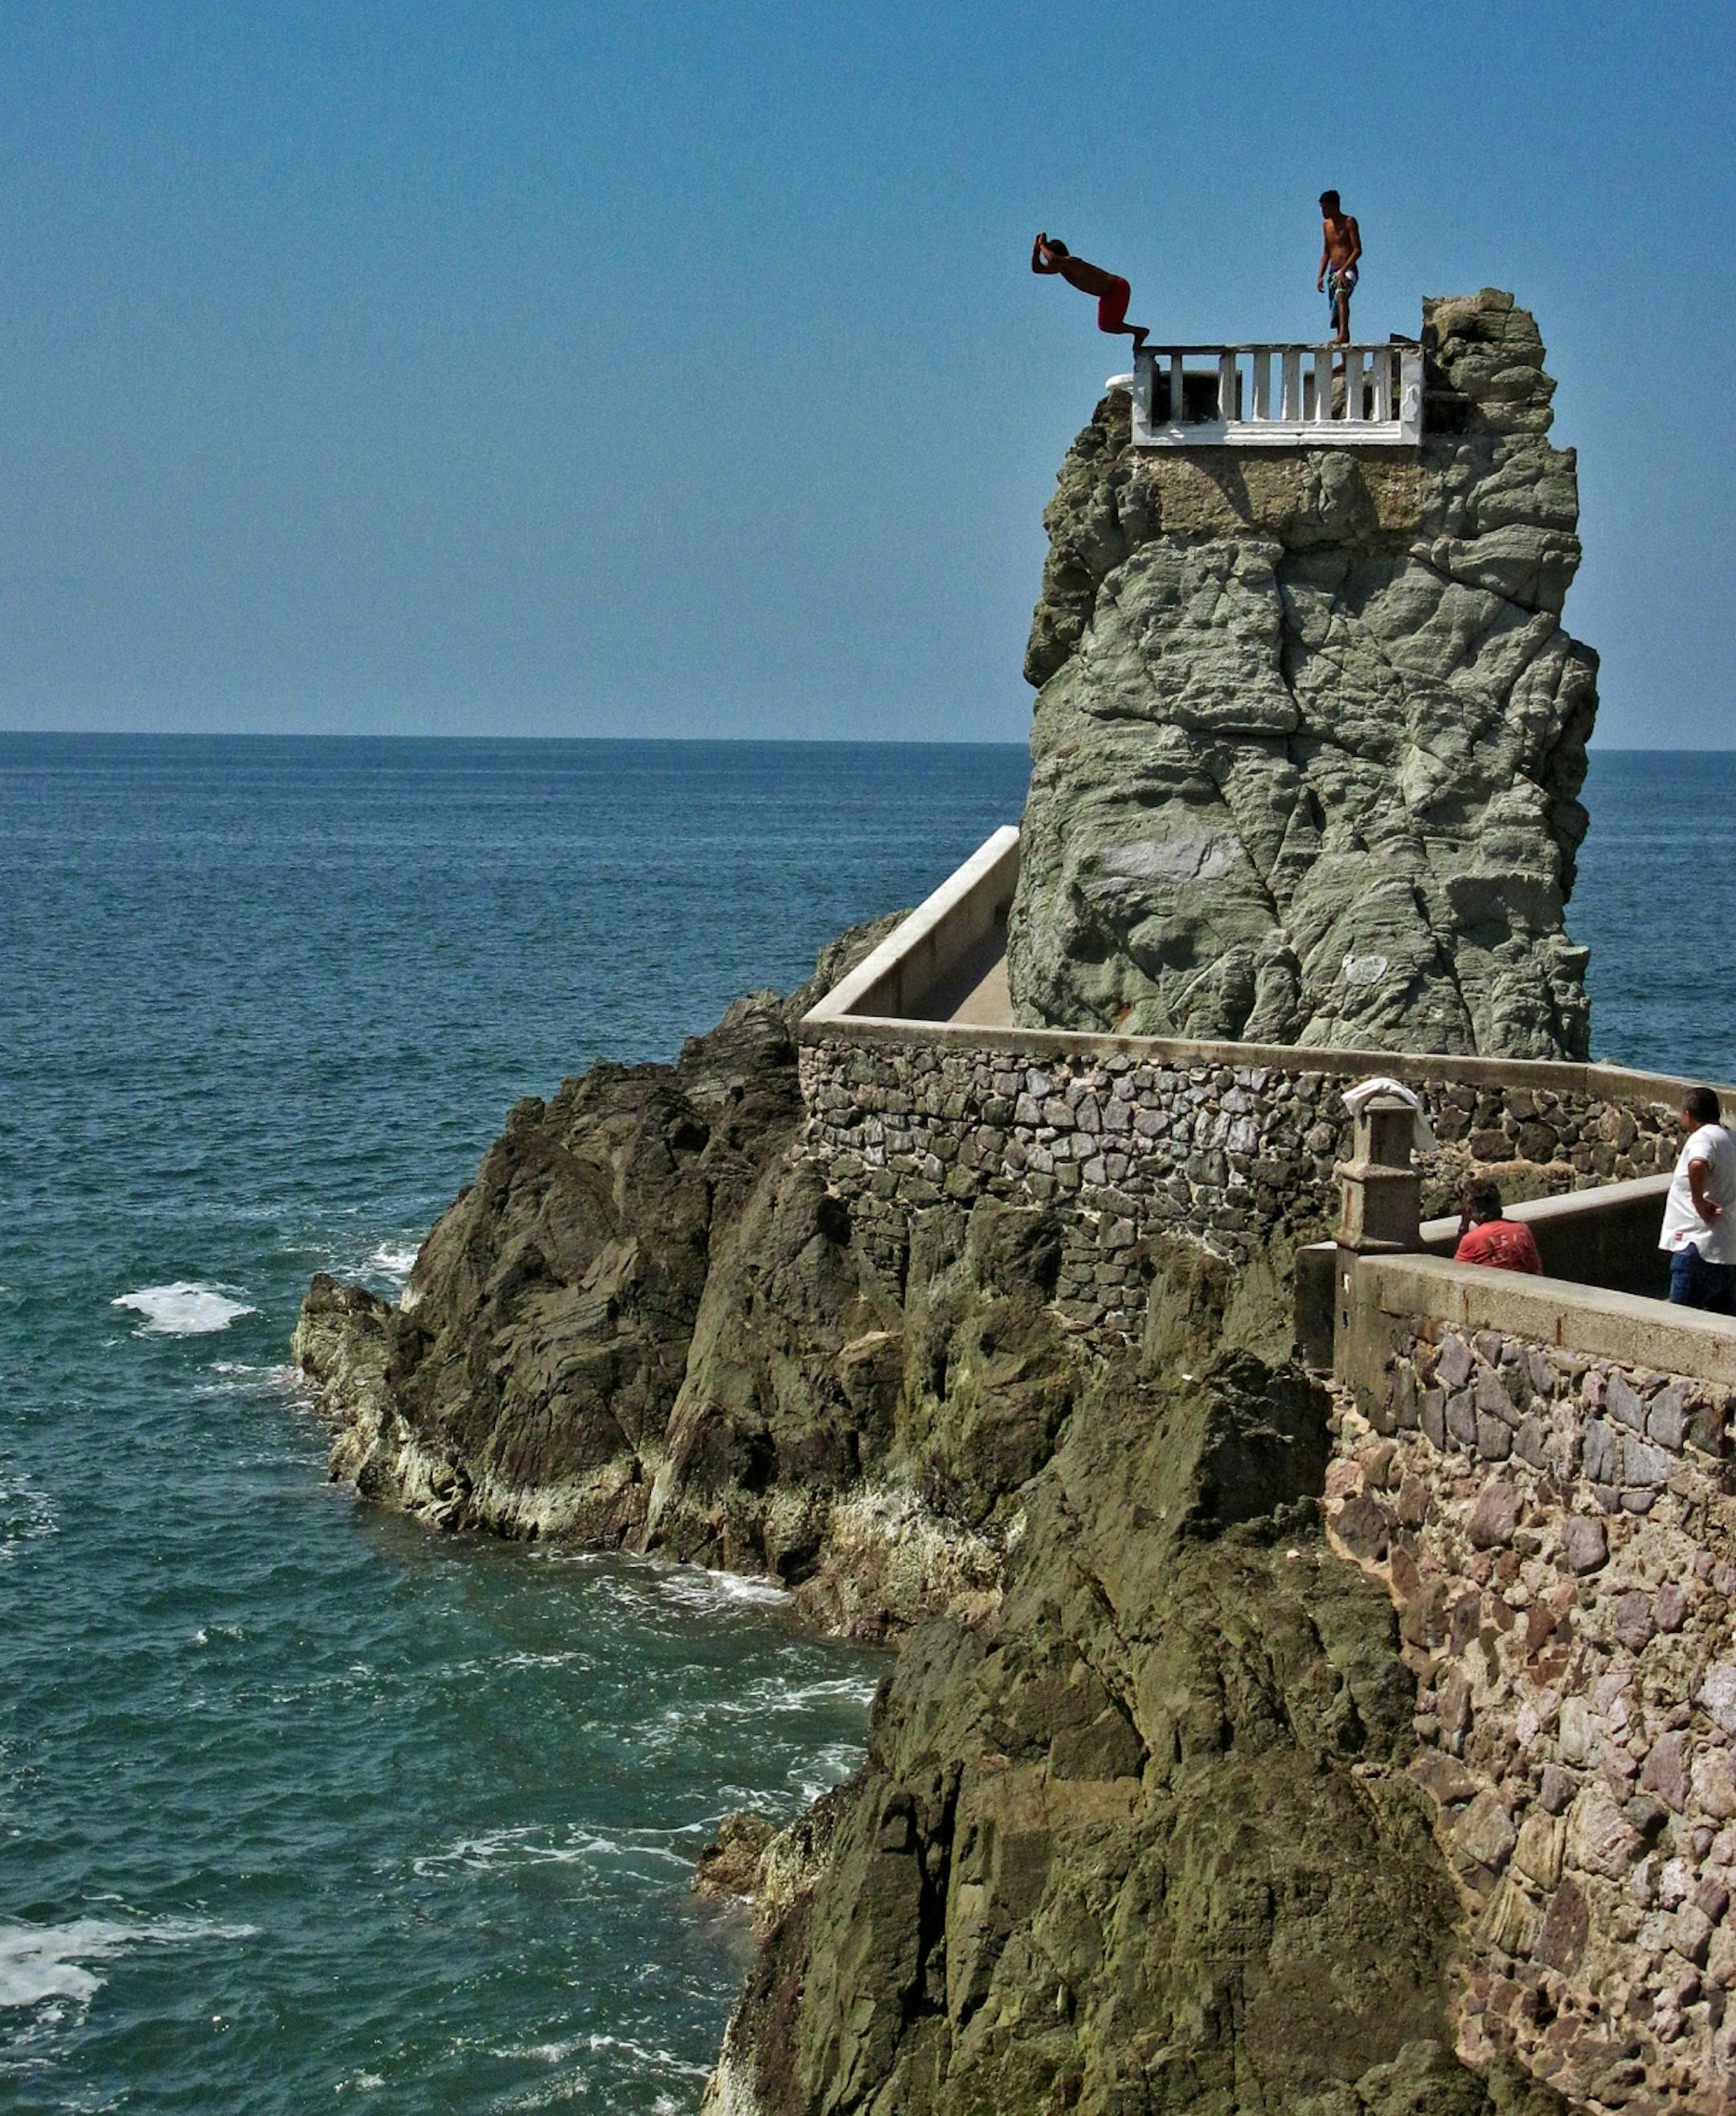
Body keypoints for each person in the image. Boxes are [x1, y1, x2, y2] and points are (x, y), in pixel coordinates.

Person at [1660, 1087, 1736, 1313]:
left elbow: (1698, 1163)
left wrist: (1698, 1202)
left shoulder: (1702, 1138)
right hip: (1727, 1250)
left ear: (1688, 1114)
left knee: (1681, 1323)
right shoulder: (1730, 1139)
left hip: (1697, 1247)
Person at [1031, 234, 1147, 350]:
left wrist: (1042, 245)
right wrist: (1037, 250)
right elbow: (1037, 269)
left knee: (1109, 325)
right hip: (1107, 294)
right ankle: (1139, 332)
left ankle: (1139, 332)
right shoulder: (1062, 269)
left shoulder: (1073, 262)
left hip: (1117, 288)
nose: (1048, 261)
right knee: (1105, 326)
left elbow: (1053, 259)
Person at [1454, 1181, 1544, 1275]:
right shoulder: (1522, 1229)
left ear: (1468, 1210)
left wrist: (1464, 1225)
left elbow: (1456, 1272)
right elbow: (1536, 1268)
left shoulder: (1471, 1240)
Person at [1316, 190, 1362, 346]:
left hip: (1348, 269)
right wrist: (1320, 275)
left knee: (1341, 294)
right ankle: (1343, 356)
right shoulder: (1326, 226)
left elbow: (1357, 250)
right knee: (1336, 309)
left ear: (1334, 206)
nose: (1323, 212)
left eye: (1325, 208)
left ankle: (1344, 334)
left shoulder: (1349, 222)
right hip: (1333, 271)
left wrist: (1343, 270)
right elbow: (1326, 252)